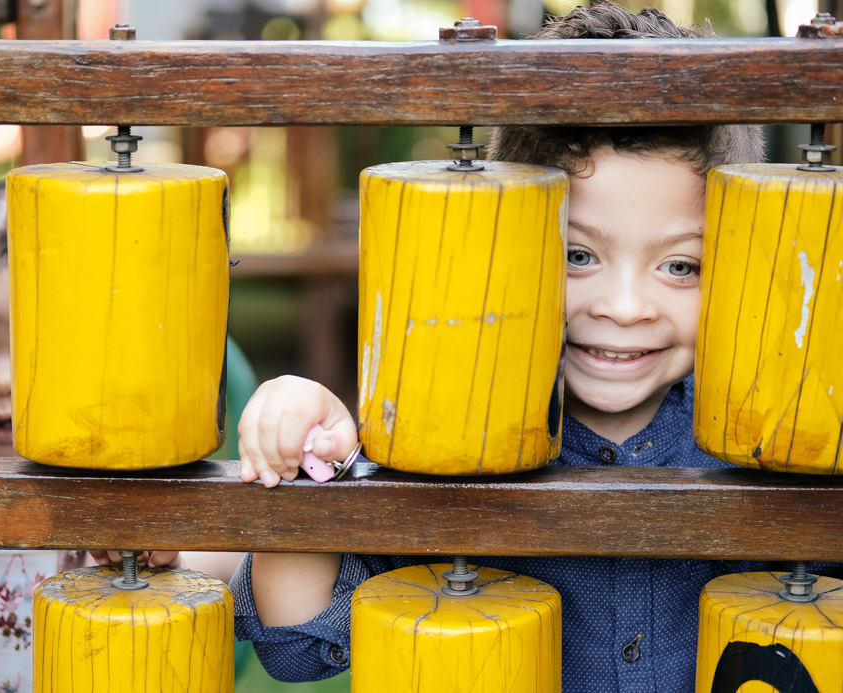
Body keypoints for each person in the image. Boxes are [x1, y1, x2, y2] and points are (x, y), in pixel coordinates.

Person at [231, 5, 833, 692]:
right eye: (577, 255)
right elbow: (300, 643)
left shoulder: (786, 444)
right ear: (502, 252)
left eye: (681, 266)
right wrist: (302, 455)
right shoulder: (438, 437)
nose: (624, 306)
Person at [0, 178, 244, 692]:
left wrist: (171, 556)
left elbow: (229, 552)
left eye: (34, 346)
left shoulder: (109, 459)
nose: (0, 380)